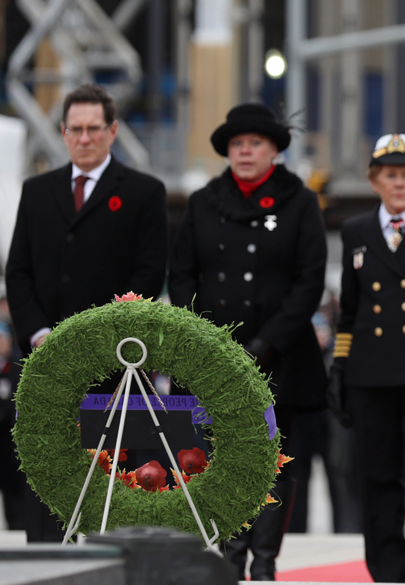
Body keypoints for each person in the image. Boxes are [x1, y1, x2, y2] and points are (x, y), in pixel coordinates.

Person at [169, 102, 328, 581]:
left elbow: (309, 281)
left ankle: (264, 561)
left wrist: (264, 343)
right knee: (219, 459)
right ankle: (228, 555)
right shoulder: (203, 201)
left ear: (275, 150)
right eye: (237, 144)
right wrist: (204, 339)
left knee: (274, 461)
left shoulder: (298, 201)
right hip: (214, 360)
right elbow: (181, 275)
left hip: (278, 357)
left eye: (254, 143)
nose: (244, 152)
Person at [5, 83, 169, 542]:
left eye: (93, 128)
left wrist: (101, 338)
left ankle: (110, 557)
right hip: (46, 360)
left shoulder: (143, 192)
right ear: (61, 132)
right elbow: (18, 271)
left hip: (115, 363)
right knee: (47, 469)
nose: (84, 137)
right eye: (75, 129)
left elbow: (149, 273)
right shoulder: (37, 192)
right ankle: (44, 563)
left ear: (112, 131)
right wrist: (39, 334)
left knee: (113, 473)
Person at [328, 133, 405, 582]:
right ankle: (388, 565)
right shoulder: (357, 230)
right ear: (374, 180)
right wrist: (340, 366)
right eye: (390, 175)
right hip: (371, 371)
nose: (399, 184)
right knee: (377, 475)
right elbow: (350, 308)